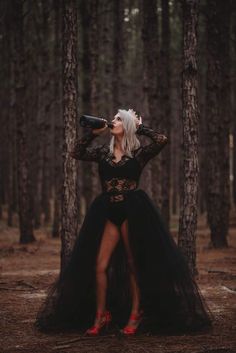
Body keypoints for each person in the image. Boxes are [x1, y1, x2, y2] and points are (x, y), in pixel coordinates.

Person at [35, 108, 213, 336]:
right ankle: (101, 316)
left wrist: (141, 127)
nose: (113, 121)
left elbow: (162, 140)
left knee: (132, 263)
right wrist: (94, 133)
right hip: (107, 209)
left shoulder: (138, 153)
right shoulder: (103, 153)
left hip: (132, 209)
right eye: (113, 119)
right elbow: (75, 152)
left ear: (126, 125)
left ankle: (135, 314)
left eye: (118, 119)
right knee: (100, 266)